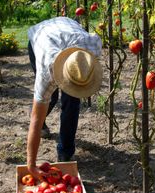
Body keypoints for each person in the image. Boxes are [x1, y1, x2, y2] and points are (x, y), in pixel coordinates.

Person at [26, 17, 103, 179]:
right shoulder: (47, 71)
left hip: (66, 27)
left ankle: (65, 152)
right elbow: (34, 117)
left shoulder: (91, 50)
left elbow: (82, 70)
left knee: (72, 102)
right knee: (50, 98)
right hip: (40, 37)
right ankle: (43, 125)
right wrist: (31, 164)